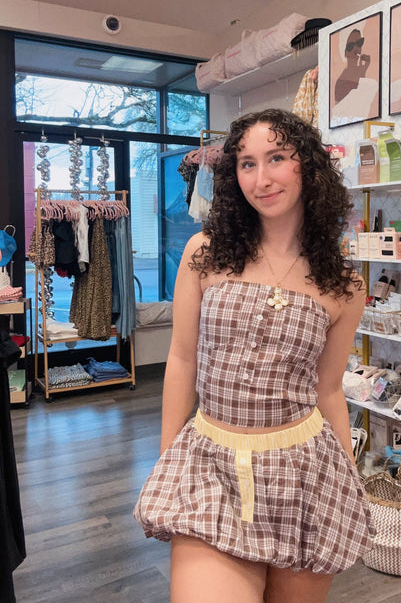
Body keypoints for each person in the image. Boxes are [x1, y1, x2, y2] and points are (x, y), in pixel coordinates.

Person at [134, 108, 374, 603]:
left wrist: (348, 477)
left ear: (307, 166)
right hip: (212, 465)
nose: (261, 178)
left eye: (277, 158)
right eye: (246, 163)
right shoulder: (205, 254)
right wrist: (167, 458)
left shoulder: (344, 286)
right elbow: (181, 360)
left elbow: (327, 389)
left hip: (304, 472)